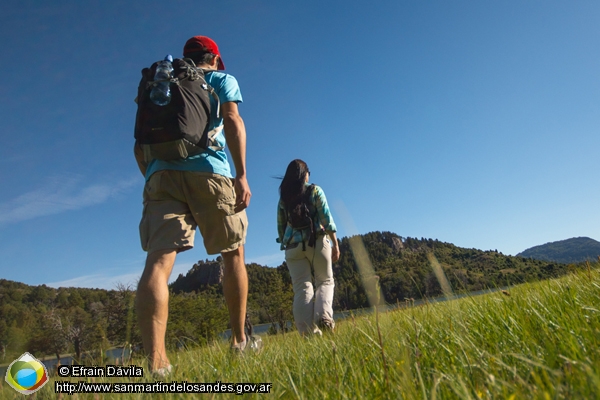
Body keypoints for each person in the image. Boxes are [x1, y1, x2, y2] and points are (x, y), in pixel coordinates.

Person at [134, 35, 251, 374]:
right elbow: (232, 122)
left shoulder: (159, 82)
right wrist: (241, 174)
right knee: (233, 254)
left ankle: (157, 363)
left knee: (158, 262)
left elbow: (138, 146)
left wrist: (154, 176)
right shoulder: (219, 79)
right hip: (209, 170)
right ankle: (239, 341)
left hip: (160, 174)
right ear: (213, 58)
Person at [277, 159, 340, 335]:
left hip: (293, 247)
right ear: (305, 175)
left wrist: (288, 242)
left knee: (302, 288)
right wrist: (335, 243)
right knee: (325, 281)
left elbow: (281, 228)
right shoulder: (315, 191)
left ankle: (307, 333)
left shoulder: (284, 199)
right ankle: (324, 318)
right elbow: (327, 220)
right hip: (317, 241)